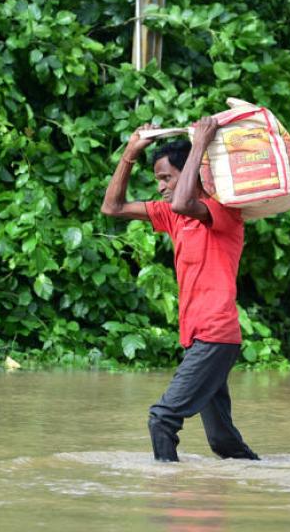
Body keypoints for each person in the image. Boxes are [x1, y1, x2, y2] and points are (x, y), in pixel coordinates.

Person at [101, 117, 259, 463]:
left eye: (165, 178)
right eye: (158, 179)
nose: (160, 187)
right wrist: (129, 155)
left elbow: (185, 202)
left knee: (162, 418)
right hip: (200, 338)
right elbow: (111, 207)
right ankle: (263, 483)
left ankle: (166, 487)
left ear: (190, 171)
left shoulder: (224, 212)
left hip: (216, 335)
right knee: (223, 442)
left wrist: (199, 145)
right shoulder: (175, 218)